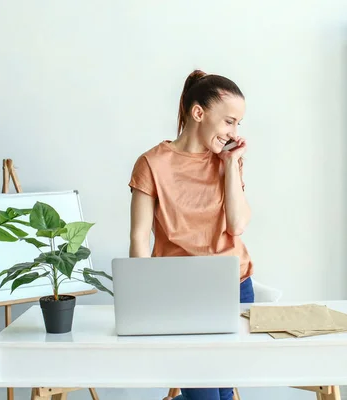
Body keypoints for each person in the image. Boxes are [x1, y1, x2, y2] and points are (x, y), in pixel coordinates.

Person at [128, 69, 254, 400]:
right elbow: (140, 238)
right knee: (207, 398)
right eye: (229, 121)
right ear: (198, 113)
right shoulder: (152, 164)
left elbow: (237, 225)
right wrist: (140, 298)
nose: (234, 131)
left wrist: (230, 165)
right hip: (181, 296)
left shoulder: (226, 161)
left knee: (222, 394)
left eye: (238, 123)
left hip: (235, 287)